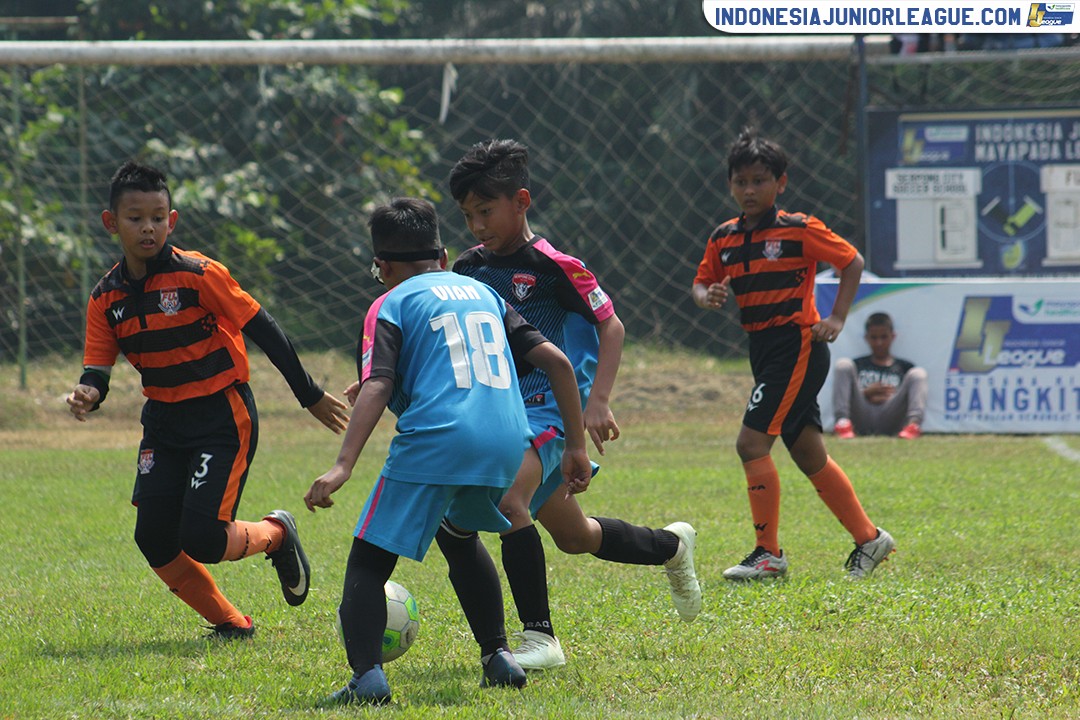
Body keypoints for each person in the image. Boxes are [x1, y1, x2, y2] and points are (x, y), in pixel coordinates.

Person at [304, 197, 594, 705]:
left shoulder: (388, 304)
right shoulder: (483, 292)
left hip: (437, 439)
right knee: (458, 536)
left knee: (369, 562)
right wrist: (573, 444)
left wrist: (342, 464)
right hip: (508, 440)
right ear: (442, 255)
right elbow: (558, 364)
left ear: (383, 266)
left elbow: (378, 385)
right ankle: (498, 656)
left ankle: (366, 678)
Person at [66, 160, 350, 639]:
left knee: (201, 537)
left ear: (171, 220)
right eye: (135, 218)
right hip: (162, 423)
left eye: (158, 216)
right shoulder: (105, 298)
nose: (148, 227)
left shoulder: (199, 274)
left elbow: (264, 328)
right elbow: (98, 368)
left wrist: (309, 394)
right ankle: (231, 623)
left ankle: (276, 534)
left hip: (222, 415)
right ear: (111, 223)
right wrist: (88, 393)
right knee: (153, 537)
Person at [448, 138, 701, 671]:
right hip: (497, 410)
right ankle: (671, 547)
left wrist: (597, 402)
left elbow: (611, 324)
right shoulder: (468, 269)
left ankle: (540, 638)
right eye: (468, 215)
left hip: (547, 410)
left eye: (486, 211)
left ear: (522, 201)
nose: (477, 225)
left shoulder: (556, 266)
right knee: (575, 536)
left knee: (510, 501)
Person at [691, 128, 895, 582]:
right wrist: (707, 295)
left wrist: (838, 318)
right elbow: (702, 281)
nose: (749, 190)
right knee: (807, 453)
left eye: (759, 180)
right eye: (741, 181)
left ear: (780, 183)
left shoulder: (798, 229)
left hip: (796, 345)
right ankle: (869, 538)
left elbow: (852, 261)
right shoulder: (724, 237)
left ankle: (768, 553)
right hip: (762, 349)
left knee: (750, 443)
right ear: (730, 184)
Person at [832, 312, 928, 440]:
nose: (879, 343)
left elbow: (906, 397)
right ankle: (842, 423)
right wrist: (867, 393)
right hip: (861, 415)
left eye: (884, 337)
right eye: (874, 337)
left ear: (892, 336)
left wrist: (888, 397)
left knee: (918, 374)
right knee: (843, 365)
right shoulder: (858, 365)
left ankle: (913, 426)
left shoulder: (904, 367)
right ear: (866, 338)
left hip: (892, 415)